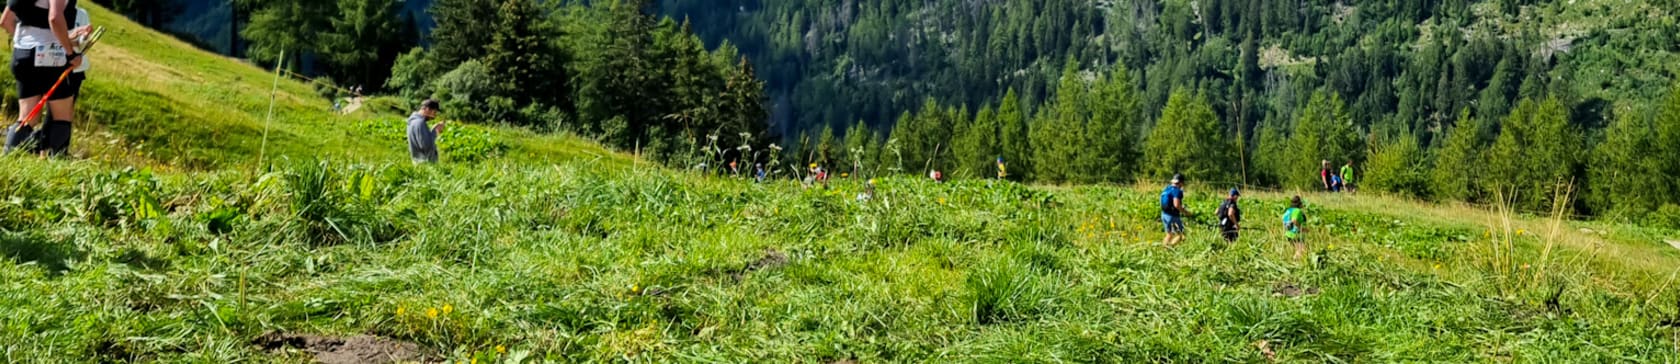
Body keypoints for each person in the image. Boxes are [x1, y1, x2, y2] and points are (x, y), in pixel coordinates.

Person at [3, 0, 84, 155]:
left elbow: (5, 22)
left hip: (22, 53)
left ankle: (8, 157)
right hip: (50, 56)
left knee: (27, 117)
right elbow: (54, 17)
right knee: (62, 116)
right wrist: (70, 52)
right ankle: (57, 163)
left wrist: (65, 39)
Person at [407, 99, 446, 164]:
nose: (434, 116)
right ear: (427, 109)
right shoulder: (420, 123)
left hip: (417, 162)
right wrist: (435, 131)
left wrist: (433, 129)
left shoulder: (413, 121)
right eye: (434, 112)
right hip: (425, 164)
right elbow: (427, 147)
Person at [1159, 173, 1187, 247]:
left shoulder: (1167, 189)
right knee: (1181, 235)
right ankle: (1169, 248)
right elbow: (1176, 204)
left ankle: (1163, 249)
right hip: (1172, 216)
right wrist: (1185, 212)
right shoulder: (1177, 191)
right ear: (1181, 182)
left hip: (1164, 214)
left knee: (1169, 234)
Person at [1283, 196, 1308, 260]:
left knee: (1298, 250)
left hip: (1288, 233)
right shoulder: (1297, 211)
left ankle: (1294, 262)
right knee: (1301, 250)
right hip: (1296, 234)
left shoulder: (1288, 211)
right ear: (1299, 203)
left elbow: (1284, 220)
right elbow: (1294, 220)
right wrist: (1301, 228)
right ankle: (1295, 262)